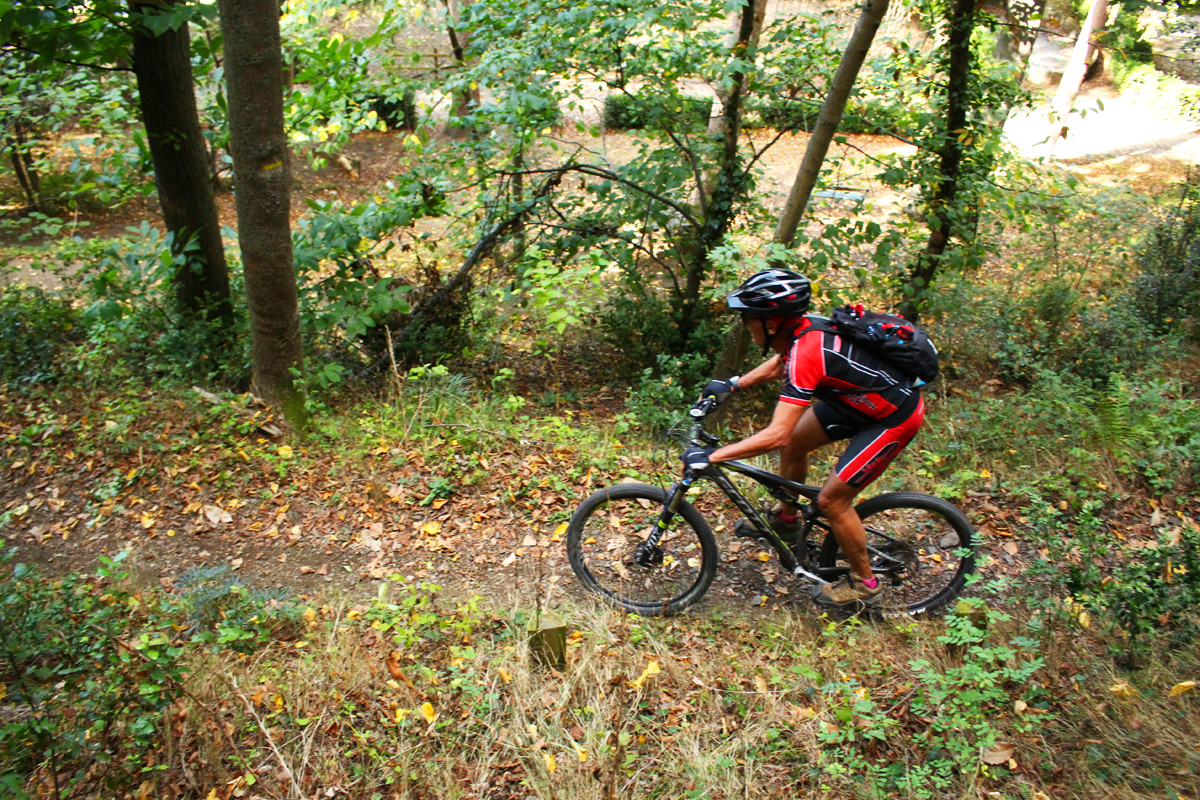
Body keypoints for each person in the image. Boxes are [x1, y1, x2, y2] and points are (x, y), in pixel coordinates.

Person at [682, 268, 925, 609]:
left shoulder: (809, 350)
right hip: (856, 403)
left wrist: (713, 457)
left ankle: (865, 584)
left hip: (892, 417)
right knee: (798, 441)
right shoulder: (800, 330)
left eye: (746, 319)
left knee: (831, 502)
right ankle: (787, 518)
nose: (743, 325)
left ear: (770, 323)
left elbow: (776, 434)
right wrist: (734, 385)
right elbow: (780, 363)